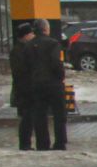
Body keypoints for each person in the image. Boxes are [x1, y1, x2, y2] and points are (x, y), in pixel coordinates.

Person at [10, 23, 49, 150]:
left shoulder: (23, 49)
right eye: (31, 34)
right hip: (25, 90)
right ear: (26, 35)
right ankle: (25, 144)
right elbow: (21, 72)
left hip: (27, 88)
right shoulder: (19, 51)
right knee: (27, 117)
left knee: (30, 117)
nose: (33, 36)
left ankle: (27, 144)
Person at [32, 19, 68, 150]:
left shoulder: (29, 45)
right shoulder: (53, 44)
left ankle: (42, 144)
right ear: (46, 29)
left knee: (39, 114)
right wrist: (61, 77)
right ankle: (60, 142)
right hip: (53, 84)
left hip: (36, 84)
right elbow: (56, 63)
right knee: (59, 114)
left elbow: (25, 67)